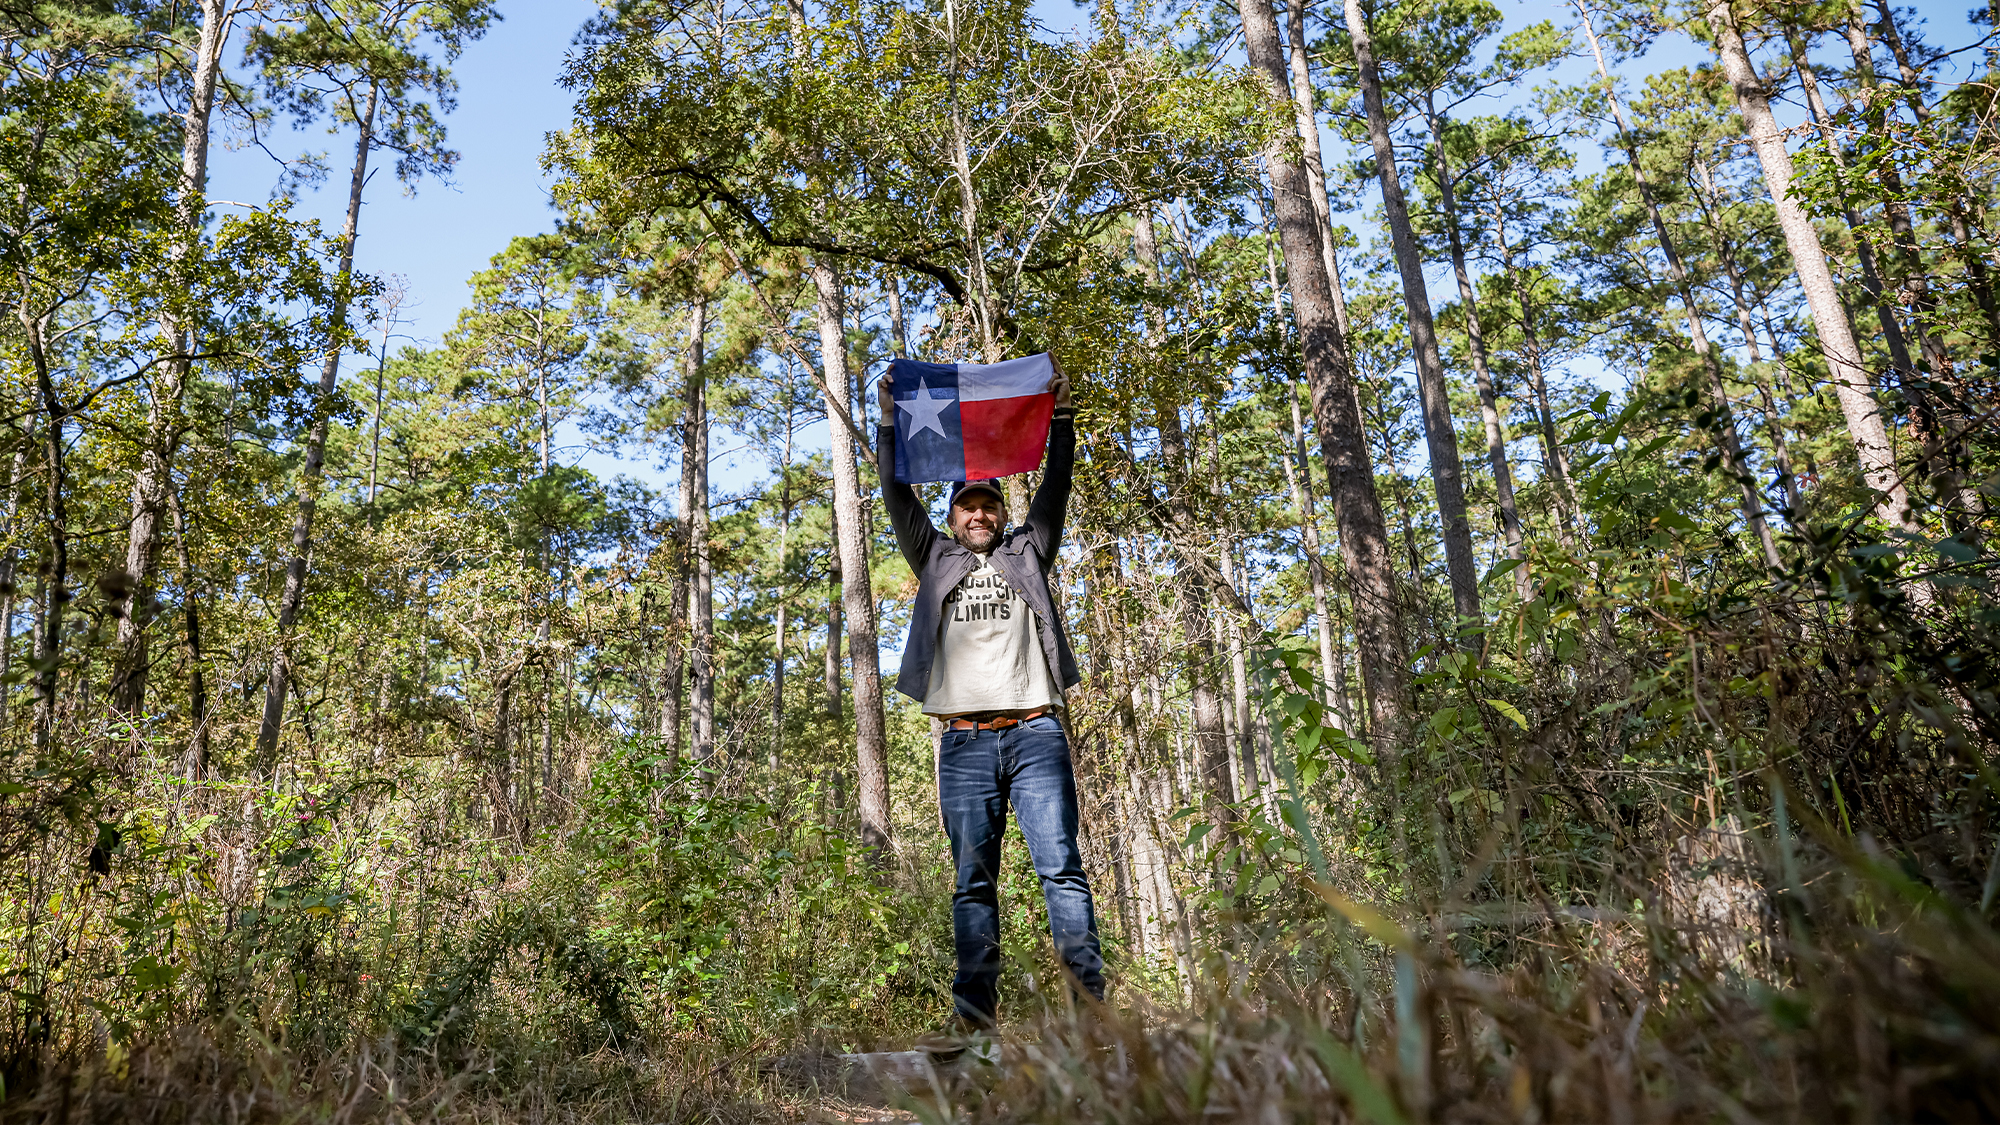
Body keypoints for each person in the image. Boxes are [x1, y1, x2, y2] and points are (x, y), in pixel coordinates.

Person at [874, 358, 1103, 1033]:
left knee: (1061, 869)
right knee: (973, 882)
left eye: (989, 503)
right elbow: (896, 493)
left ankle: (1088, 1013)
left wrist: (1061, 417)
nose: (979, 512)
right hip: (966, 743)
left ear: (1002, 512)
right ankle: (974, 1021)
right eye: (967, 505)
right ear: (952, 516)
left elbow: (1056, 486)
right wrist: (890, 421)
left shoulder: (1028, 550)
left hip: (1036, 735)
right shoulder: (935, 556)